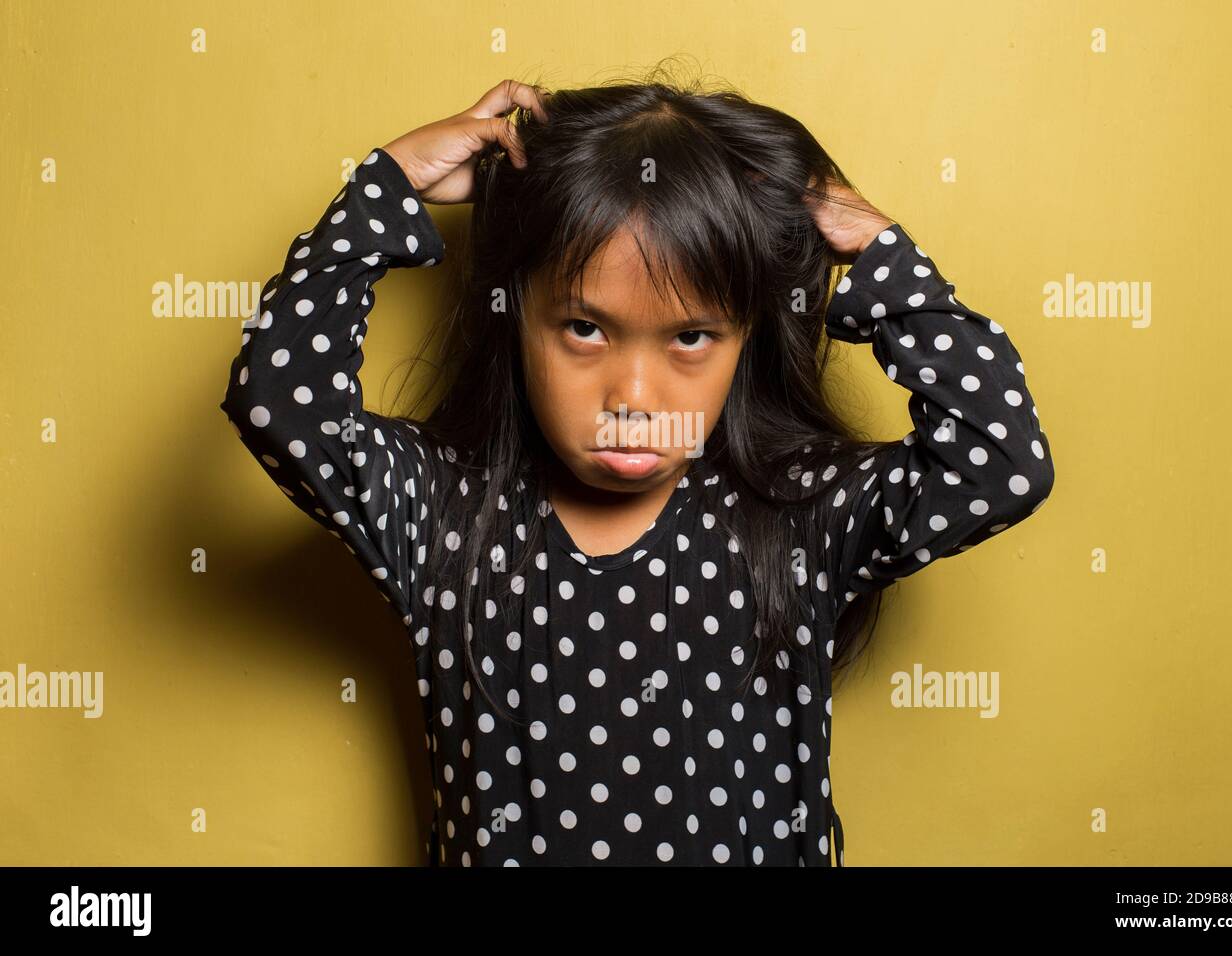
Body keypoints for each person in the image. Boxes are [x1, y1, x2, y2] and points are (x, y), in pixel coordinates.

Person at [218, 76, 1055, 866]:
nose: (634, 396)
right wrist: (384, 188)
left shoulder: (795, 511)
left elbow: (1002, 463)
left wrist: (874, 246)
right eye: (585, 328)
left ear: (748, 339)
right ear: (516, 318)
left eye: (690, 337)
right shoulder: (445, 512)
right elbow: (282, 405)